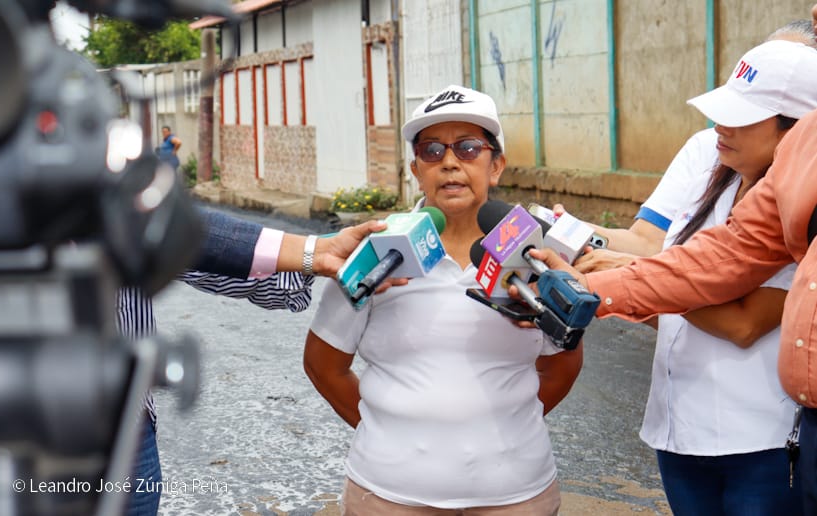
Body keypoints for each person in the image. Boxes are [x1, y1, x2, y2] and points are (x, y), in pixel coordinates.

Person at [531, 44, 817, 512]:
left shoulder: (794, 201)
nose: (720, 127)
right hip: (682, 428)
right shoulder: (725, 172)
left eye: (741, 116)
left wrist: (622, 282)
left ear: (799, 131)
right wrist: (599, 284)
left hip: (761, 434)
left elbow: (741, 321)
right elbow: (705, 260)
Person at [304, 85, 583, 515]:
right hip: (386, 496)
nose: (450, 162)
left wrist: (501, 436)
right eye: (432, 150)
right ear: (416, 170)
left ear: (497, 166)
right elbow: (324, 364)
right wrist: (389, 436)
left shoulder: (537, 255)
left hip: (517, 496)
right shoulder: (378, 252)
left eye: (469, 147)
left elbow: (563, 363)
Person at [124, 208, 401, 515]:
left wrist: (313, 255)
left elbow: (200, 246)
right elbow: (324, 366)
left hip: (129, 426)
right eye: (430, 154)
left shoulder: (123, 205)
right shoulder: (105, 208)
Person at [561, 19, 817, 273]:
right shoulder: (708, 151)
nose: (720, 126)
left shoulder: (797, 212)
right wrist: (570, 233)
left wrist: (632, 276)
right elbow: (651, 244)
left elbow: (739, 310)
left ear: (800, 126)